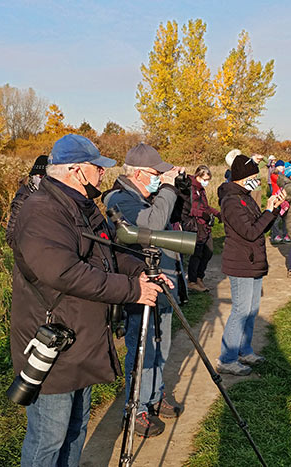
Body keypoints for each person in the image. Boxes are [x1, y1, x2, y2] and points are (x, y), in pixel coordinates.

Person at [10, 134, 168, 466]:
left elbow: (110, 252)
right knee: (48, 437)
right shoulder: (41, 211)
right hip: (54, 340)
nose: (102, 174)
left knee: (76, 427)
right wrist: (132, 290)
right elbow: (64, 273)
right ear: (76, 171)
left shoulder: (82, 206)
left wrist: (142, 271)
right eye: (98, 168)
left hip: (83, 338)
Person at [102, 143, 184, 438]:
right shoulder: (121, 200)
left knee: (161, 347)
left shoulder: (146, 195)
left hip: (162, 282)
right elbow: (152, 225)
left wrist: (177, 188)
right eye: (155, 173)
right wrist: (168, 189)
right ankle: (136, 407)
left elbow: (174, 220)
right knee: (142, 350)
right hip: (139, 285)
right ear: (136, 173)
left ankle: (154, 395)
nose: (159, 179)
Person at [216, 155, 285, 375]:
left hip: (253, 261)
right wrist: (268, 211)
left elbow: (259, 225)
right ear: (241, 177)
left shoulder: (245, 197)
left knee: (252, 310)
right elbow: (250, 232)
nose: (255, 180)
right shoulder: (231, 201)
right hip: (241, 263)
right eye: (253, 177)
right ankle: (226, 359)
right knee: (241, 310)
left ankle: (244, 350)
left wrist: (273, 209)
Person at [184, 165, 219, 293]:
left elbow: (206, 206)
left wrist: (217, 213)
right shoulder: (191, 189)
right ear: (198, 176)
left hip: (205, 225)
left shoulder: (201, 190)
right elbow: (190, 208)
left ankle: (199, 277)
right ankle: (192, 281)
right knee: (197, 253)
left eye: (208, 179)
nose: (207, 182)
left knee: (208, 252)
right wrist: (202, 214)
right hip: (197, 225)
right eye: (205, 179)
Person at [6, 155, 48, 249]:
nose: (43, 180)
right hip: (29, 256)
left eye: (47, 177)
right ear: (33, 176)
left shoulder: (52, 195)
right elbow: (11, 236)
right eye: (41, 176)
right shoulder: (22, 199)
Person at [270, 161, 290, 243]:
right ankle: (275, 235)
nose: (282, 167)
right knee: (276, 218)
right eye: (280, 166)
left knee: (286, 218)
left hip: (284, 197)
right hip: (276, 197)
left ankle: (286, 235)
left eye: (283, 166)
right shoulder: (274, 175)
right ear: (277, 167)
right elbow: (281, 181)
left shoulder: (283, 174)